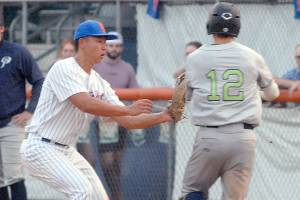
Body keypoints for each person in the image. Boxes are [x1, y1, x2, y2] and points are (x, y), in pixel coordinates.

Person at [20, 19, 173, 200]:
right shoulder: (63, 67)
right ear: (83, 42)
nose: (104, 47)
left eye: (105, 42)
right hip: (41, 147)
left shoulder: (99, 82)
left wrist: (164, 115)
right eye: (99, 41)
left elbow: (129, 122)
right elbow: (84, 103)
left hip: (65, 149)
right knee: (82, 191)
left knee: (99, 196)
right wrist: (128, 110)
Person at [181, 2, 279, 200]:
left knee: (193, 191)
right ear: (237, 26)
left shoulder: (195, 58)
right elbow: (272, 94)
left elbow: (183, 96)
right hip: (243, 138)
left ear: (210, 24)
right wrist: (251, 94)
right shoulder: (252, 56)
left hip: (209, 136)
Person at [0, 14, 44, 200]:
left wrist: (30, 110)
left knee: (14, 176)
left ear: (2, 28)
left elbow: (39, 81)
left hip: (12, 122)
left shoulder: (17, 52)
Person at [93, 31, 139, 200]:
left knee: (118, 162)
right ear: (105, 47)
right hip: (102, 122)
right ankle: (111, 194)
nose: (114, 49)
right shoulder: (96, 66)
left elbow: (135, 92)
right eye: (111, 45)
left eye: (118, 45)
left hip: (121, 120)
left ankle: (115, 196)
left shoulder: (127, 68)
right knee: (107, 162)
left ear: (122, 48)